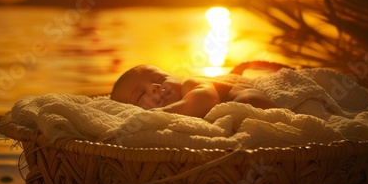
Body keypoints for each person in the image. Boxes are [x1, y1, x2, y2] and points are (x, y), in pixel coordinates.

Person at [110, 65, 274, 118]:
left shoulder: (189, 85)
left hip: (248, 100)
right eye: (140, 95)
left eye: (160, 79)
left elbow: (207, 99)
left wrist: (160, 113)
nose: (154, 87)